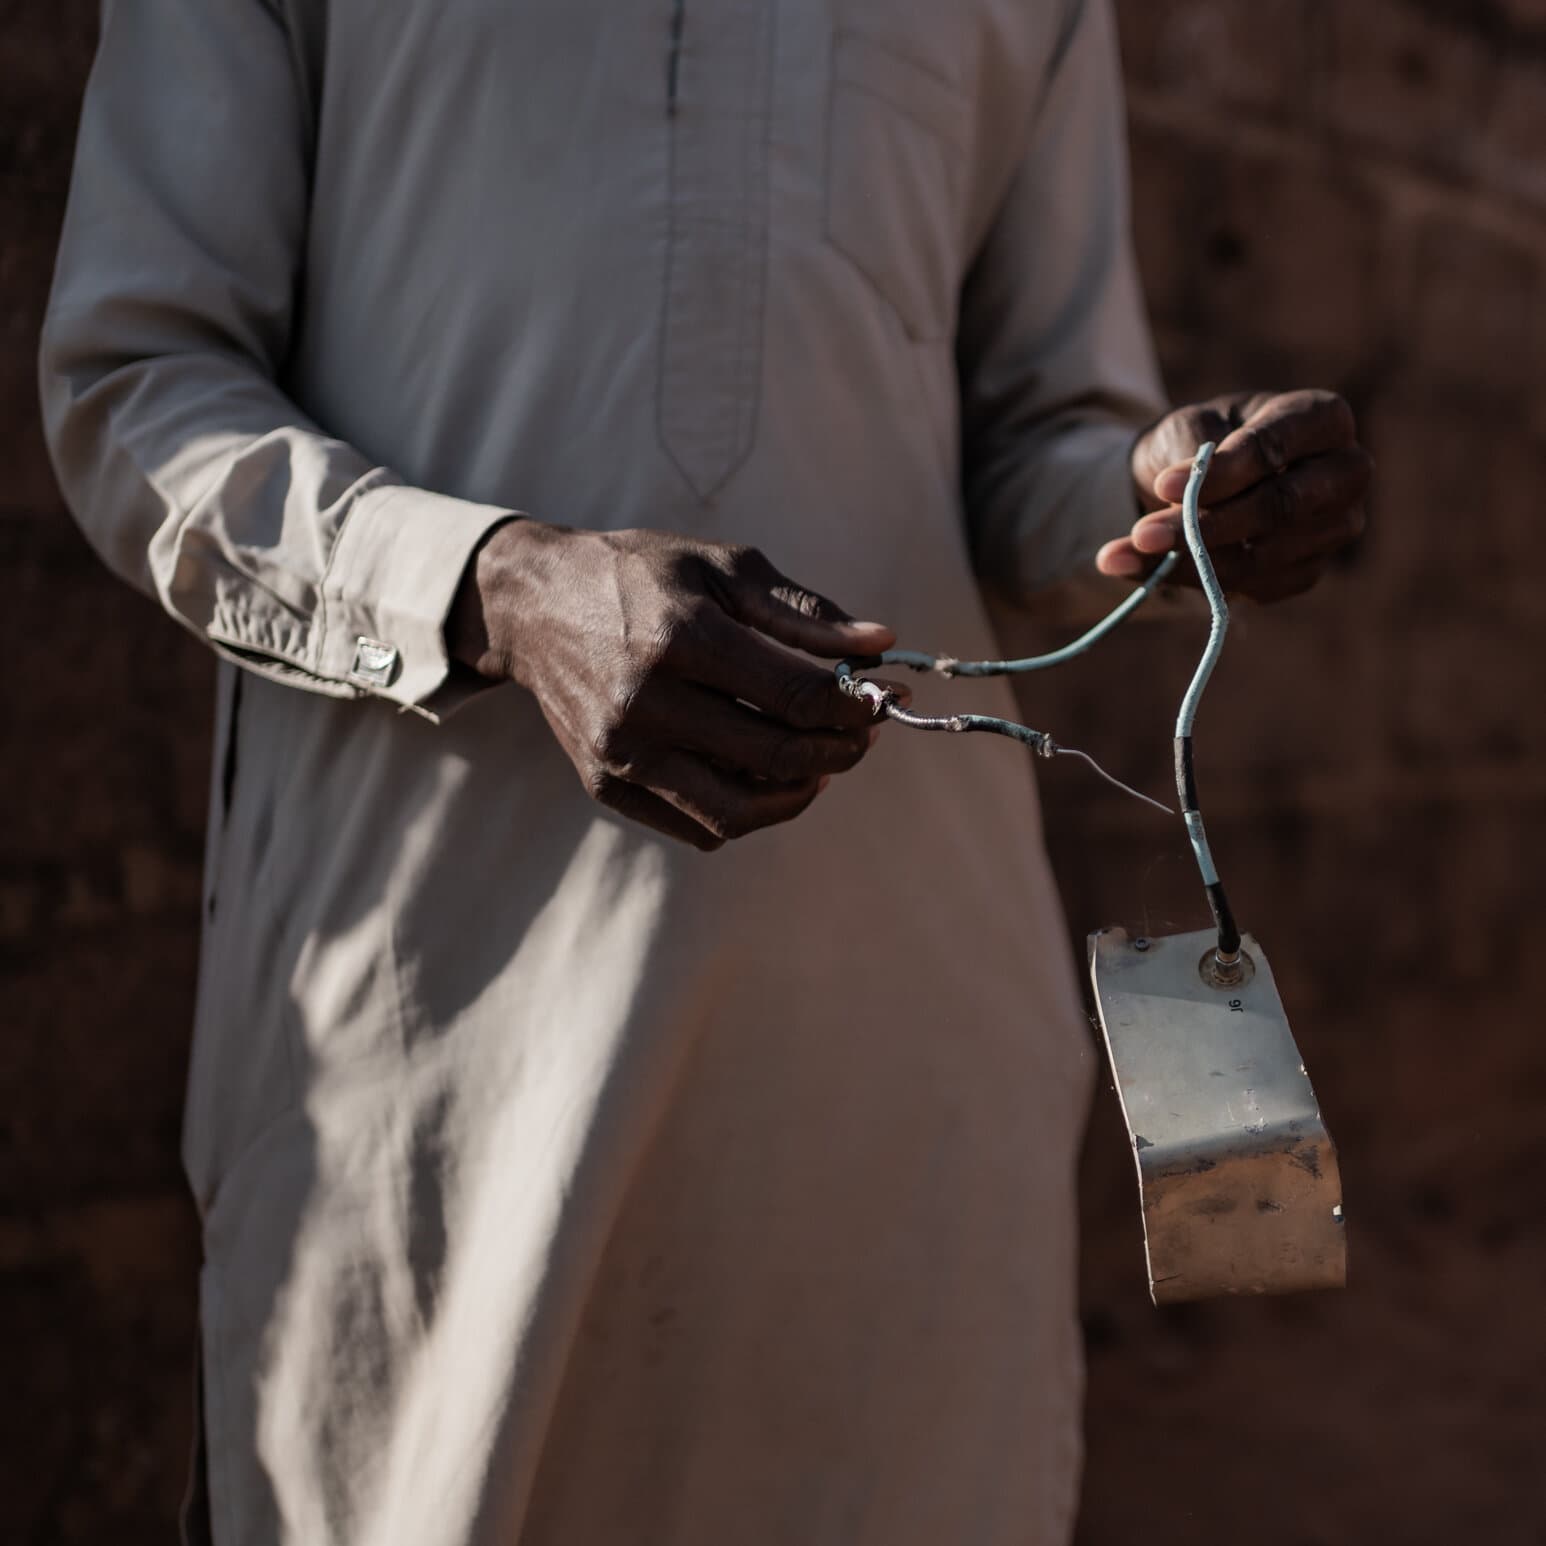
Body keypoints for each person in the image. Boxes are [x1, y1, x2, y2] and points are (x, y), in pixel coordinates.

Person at [40, 2, 1370, 1542]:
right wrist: (492, 585)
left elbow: (1036, 442)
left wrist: (1166, 496)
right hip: (443, 1011)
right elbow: (136, 388)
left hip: (899, 1032)